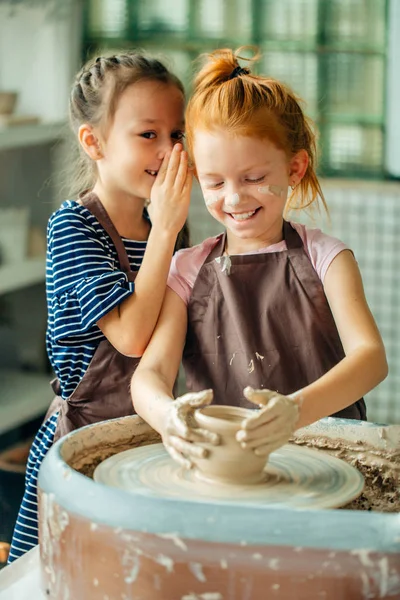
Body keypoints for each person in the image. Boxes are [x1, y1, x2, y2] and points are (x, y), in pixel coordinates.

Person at [130, 47, 388, 470]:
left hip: (325, 463)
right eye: (214, 183)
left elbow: (371, 359)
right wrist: (167, 416)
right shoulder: (188, 268)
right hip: (225, 466)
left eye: (254, 178)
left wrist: (295, 412)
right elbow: (150, 375)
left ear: (295, 168)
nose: (233, 198)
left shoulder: (328, 259)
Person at [8, 51, 192, 563]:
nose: (167, 150)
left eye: (176, 135)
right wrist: (170, 230)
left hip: (144, 444)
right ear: (94, 142)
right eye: (148, 134)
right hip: (79, 448)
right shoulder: (75, 227)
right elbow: (131, 336)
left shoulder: (166, 229)